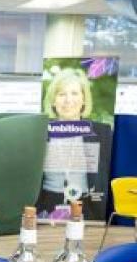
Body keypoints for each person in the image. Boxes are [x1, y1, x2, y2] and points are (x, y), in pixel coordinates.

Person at [37, 68, 112, 220]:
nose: (68, 100)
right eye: (62, 94)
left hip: (88, 207)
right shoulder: (39, 131)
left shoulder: (102, 133)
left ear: (84, 99)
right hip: (47, 205)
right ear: (53, 100)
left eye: (74, 93)